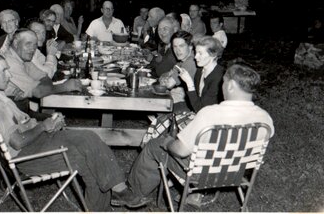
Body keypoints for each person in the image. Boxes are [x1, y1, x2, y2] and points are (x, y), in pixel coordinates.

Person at [0, 54, 145, 211]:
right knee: (87, 156)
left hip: (33, 146)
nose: (9, 76)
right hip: (25, 158)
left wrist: (46, 123)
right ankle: (118, 191)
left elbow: (18, 127)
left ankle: (116, 192)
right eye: (3, 71)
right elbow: (17, 142)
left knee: (88, 141)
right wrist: (43, 127)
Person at [116, 62, 275, 208]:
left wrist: (167, 143)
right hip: (236, 174)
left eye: (224, 83)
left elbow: (180, 151)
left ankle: (134, 192)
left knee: (154, 145)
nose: (222, 87)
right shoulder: (265, 118)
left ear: (232, 85)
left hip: (201, 175)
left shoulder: (210, 114)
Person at [179, 36, 225, 112]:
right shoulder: (200, 70)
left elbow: (201, 109)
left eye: (200, 53)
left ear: (213, 55)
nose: (196, 57)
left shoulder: (219, 77)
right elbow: (195, 100)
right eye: (196, 52)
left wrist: (189, 83)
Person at [159, 31, 197, 109]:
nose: (177, 50)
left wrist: (165, 78)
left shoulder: (190, 62)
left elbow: (168, 84)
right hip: (188, 98)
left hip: (193, 105)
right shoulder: (183, 59)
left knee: (157, 104)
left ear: (190, 46)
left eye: (181, 46)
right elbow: (168, 73)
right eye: (175, 47)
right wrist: (166, 76)